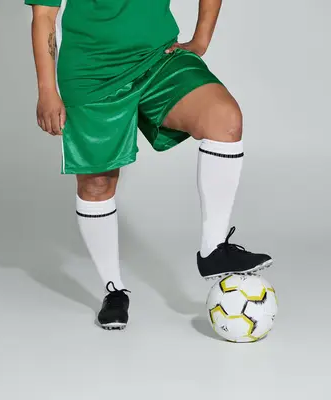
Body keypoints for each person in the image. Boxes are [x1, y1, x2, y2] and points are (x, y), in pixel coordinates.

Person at [25, 0, 272, 330]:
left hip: (158, 59)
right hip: (91, 72)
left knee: (224, 118)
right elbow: (43, 15)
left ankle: (214, 250)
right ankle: (114, 291)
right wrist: (47, 91)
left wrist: (200, 40)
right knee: (96, 184)